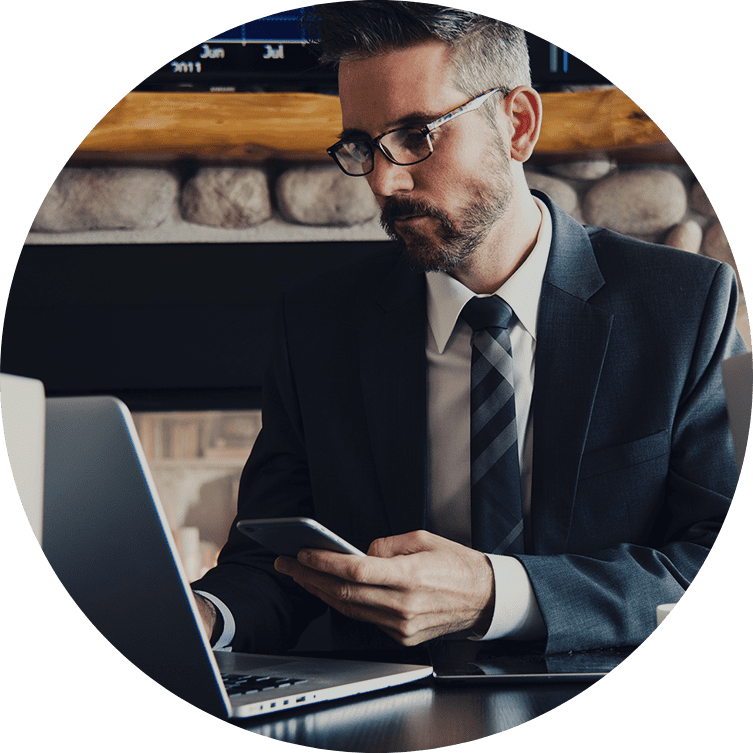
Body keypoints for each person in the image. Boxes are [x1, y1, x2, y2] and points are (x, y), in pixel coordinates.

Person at [192, 1, 746, 656]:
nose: (384, 179)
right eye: (361, 146)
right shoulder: (315, 323)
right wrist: (200, 615)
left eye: (416, 134)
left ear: (516, 124)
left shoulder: (684, 305)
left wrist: (496, 592)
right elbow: (271, 562)